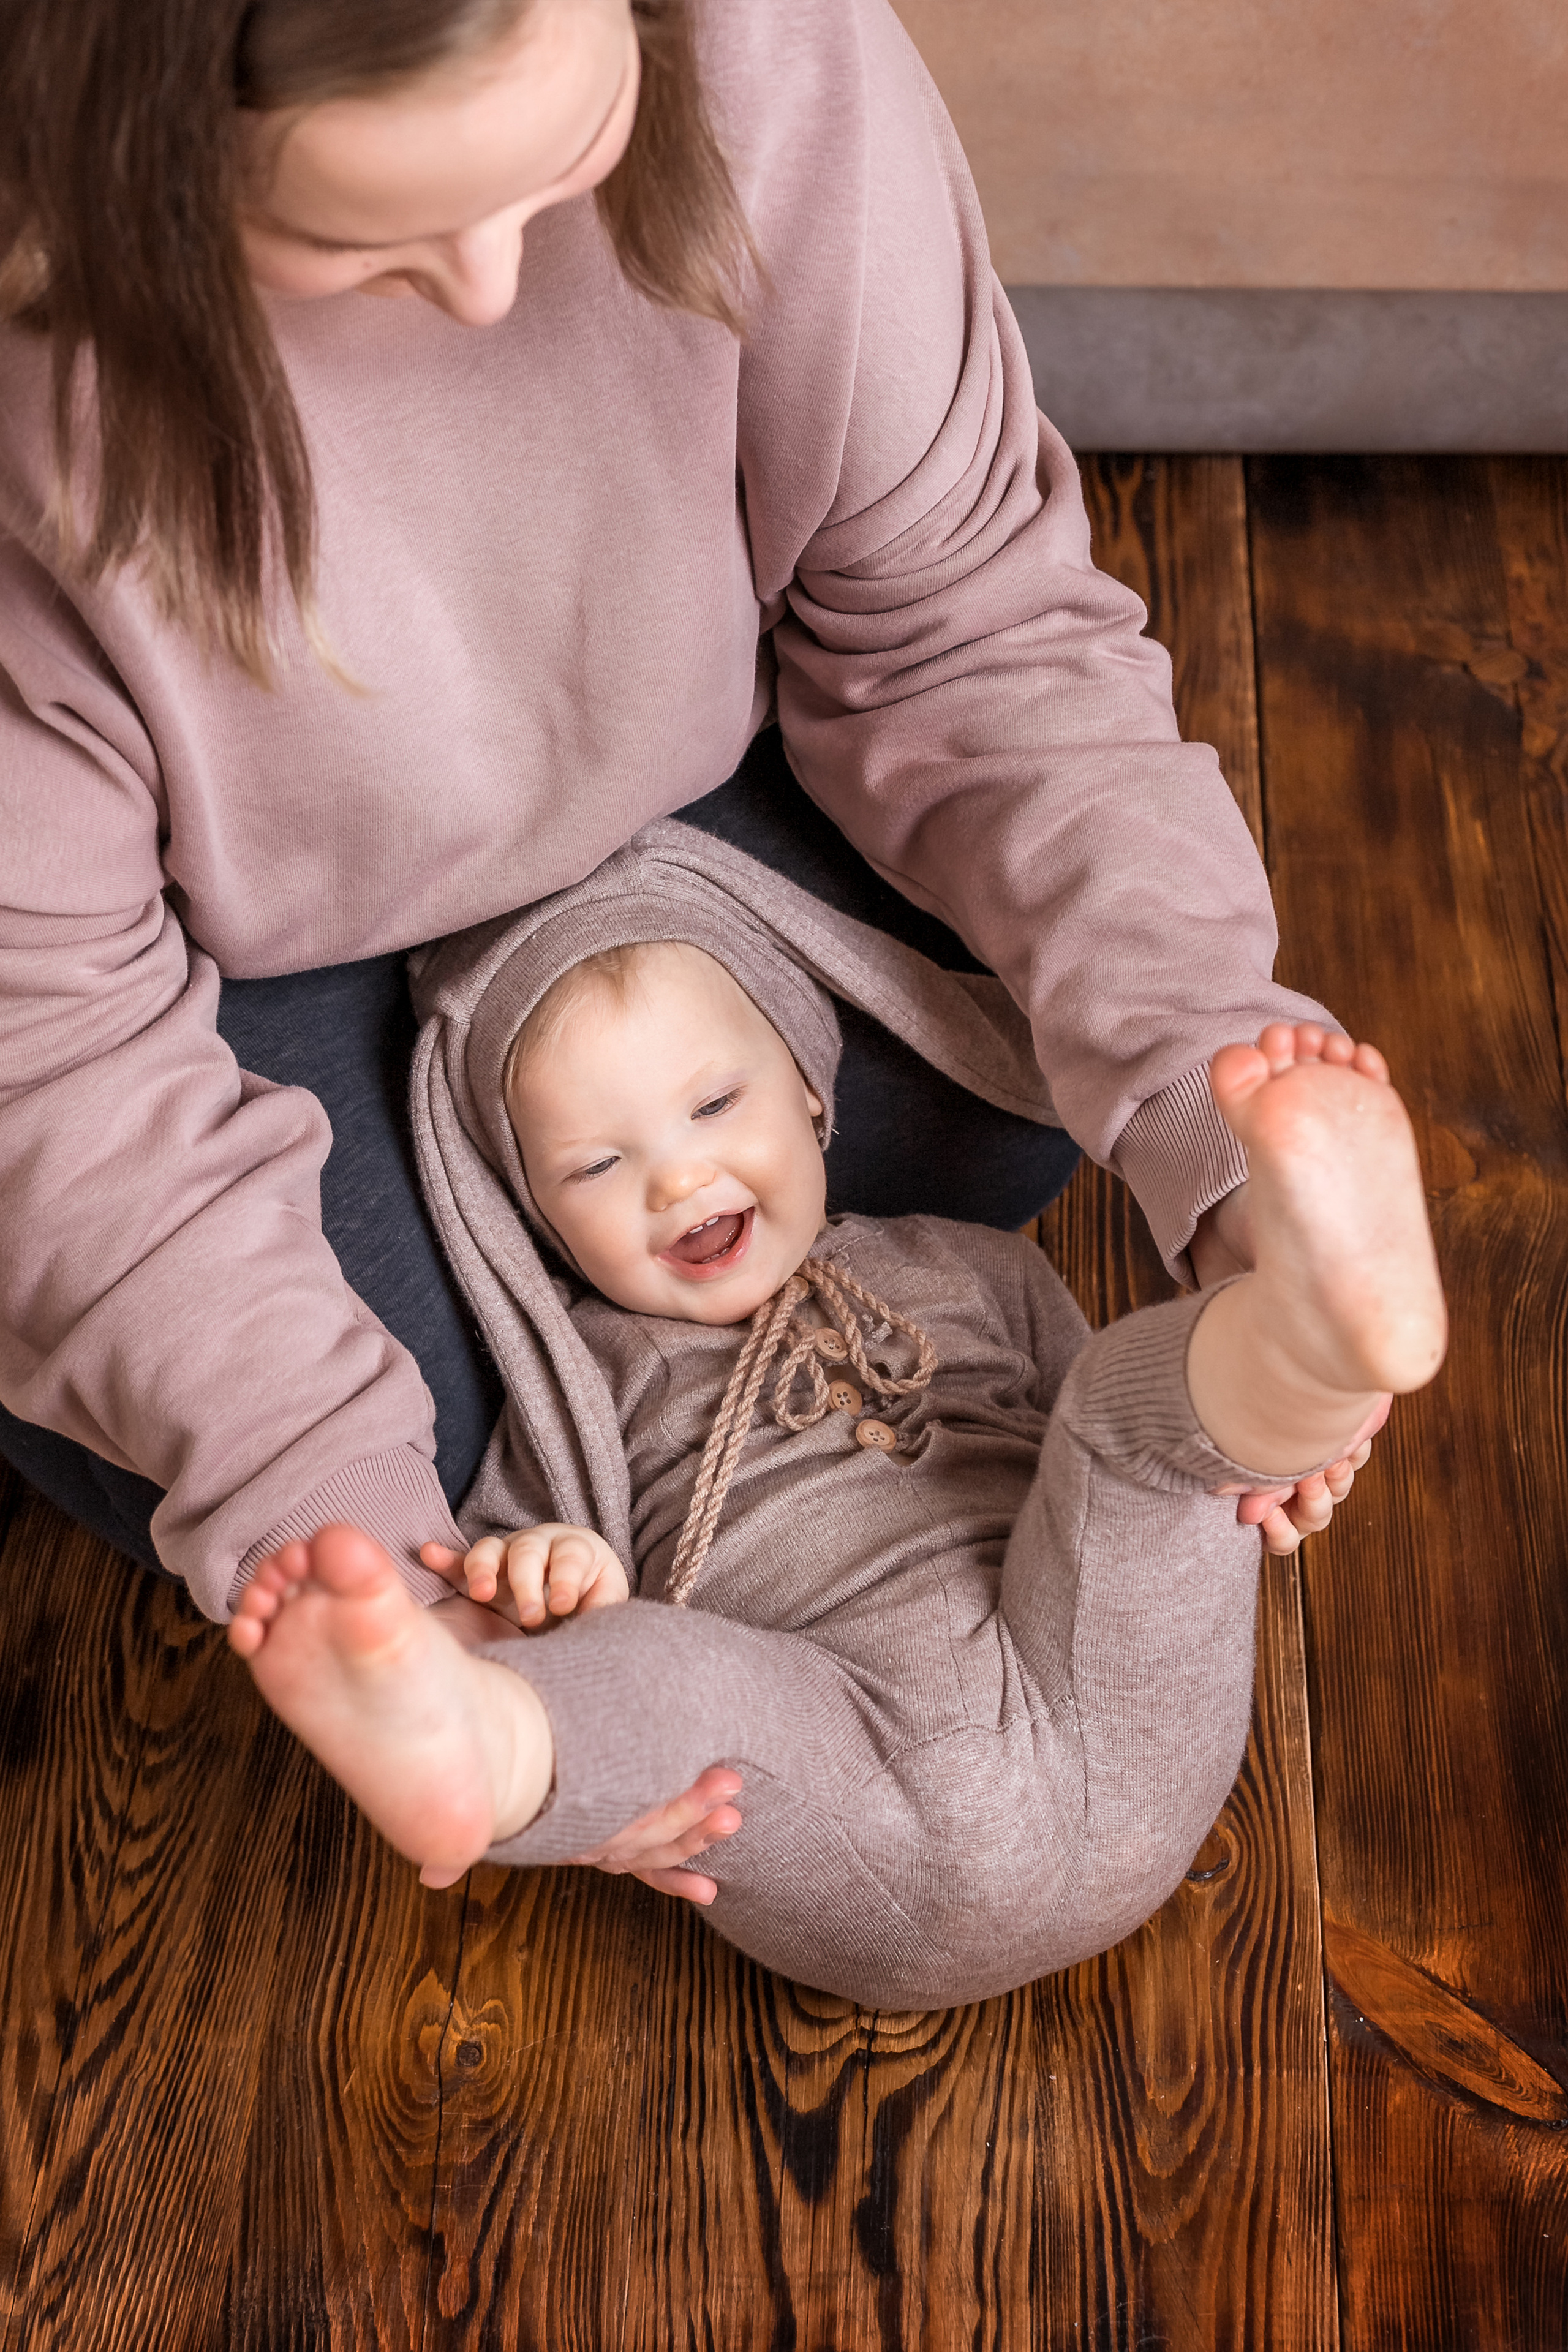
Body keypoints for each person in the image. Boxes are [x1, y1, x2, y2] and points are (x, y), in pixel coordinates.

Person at [2, 0, 1342, 1896]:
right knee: (355, 1466)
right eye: (357, 247)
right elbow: (49, 1059)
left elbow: (964, 633)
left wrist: (1209, 1088)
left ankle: (1227, 1327)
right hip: (222, 986)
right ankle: (496, 1673)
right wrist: (353, 1532)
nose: (483, 293)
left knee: (1010, 1098)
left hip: (705, 800)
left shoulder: (771, 50)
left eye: (557, 179)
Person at [226, 912, 1446, 2007]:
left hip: (1134, 1734)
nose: (678, 1176)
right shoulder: (572, 1389)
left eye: (714, 1107)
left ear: (810, 1095)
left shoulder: (971, 1263)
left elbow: (1115, 1464)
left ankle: (1305, 1339)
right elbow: (524, 1575)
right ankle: (479, 1752)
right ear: (537, 1226)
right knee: (661, 1674)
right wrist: (556, 1573)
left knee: (1123, 1423)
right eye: (596, 1167)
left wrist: (1223, 1424)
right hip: (858, 1802)